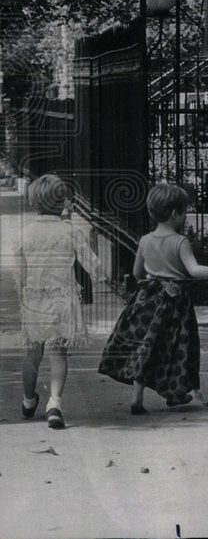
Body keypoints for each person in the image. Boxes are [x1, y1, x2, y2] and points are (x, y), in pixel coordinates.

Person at [98, 183, 208, 414]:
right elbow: (194, 270)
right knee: (176, 346)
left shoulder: (145, 241)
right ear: (175, 214)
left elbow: (137, 274)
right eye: (184, 211)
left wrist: (153, 274)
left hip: (148, 300)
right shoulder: (180, 242)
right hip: (174, 303)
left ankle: (137, 397)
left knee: (146, 346)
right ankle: (175, 392)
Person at [18, 174, 104, 429]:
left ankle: (28, 398)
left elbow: (21, 270)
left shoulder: (27, 232)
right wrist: (101, 276)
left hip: (34, 298)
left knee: (32, 354)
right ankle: (54, 402)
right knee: (58, 354)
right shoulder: (69, 230)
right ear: (62, 202)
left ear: (34, 202)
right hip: (62, 299)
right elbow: (91, 263)